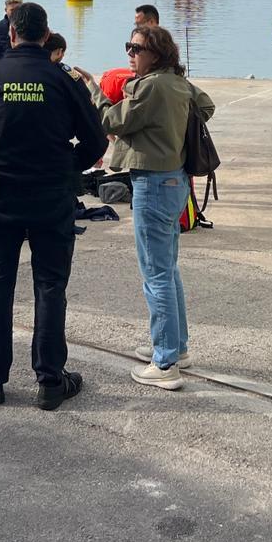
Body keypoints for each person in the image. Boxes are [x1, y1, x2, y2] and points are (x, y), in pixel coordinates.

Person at [0, 2, 106, 410]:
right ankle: (50, 381)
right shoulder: (64, 81)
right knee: (50, 286)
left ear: (11, 34)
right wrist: (66, 166)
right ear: (46, 35)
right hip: (50, 196)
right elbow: (96, 141)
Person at [78, 25, 213, 392]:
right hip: (174, 180)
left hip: (153, 183)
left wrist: (92, 89)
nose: (129, 53)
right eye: (129, 46)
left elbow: (111, 121)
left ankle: (165, 362)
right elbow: (206, 106)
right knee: (167, 269)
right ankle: (176, 347)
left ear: (155, 53)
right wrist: (173, 129)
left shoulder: (150, 86)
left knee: (156, 274)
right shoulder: (177, 82)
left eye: (135, 48)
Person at [0, 0, 21, 64]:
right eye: (12, 10)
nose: (15, 13)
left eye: (17, 10)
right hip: (3, 65)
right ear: (6, 10)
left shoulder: (28, 26)